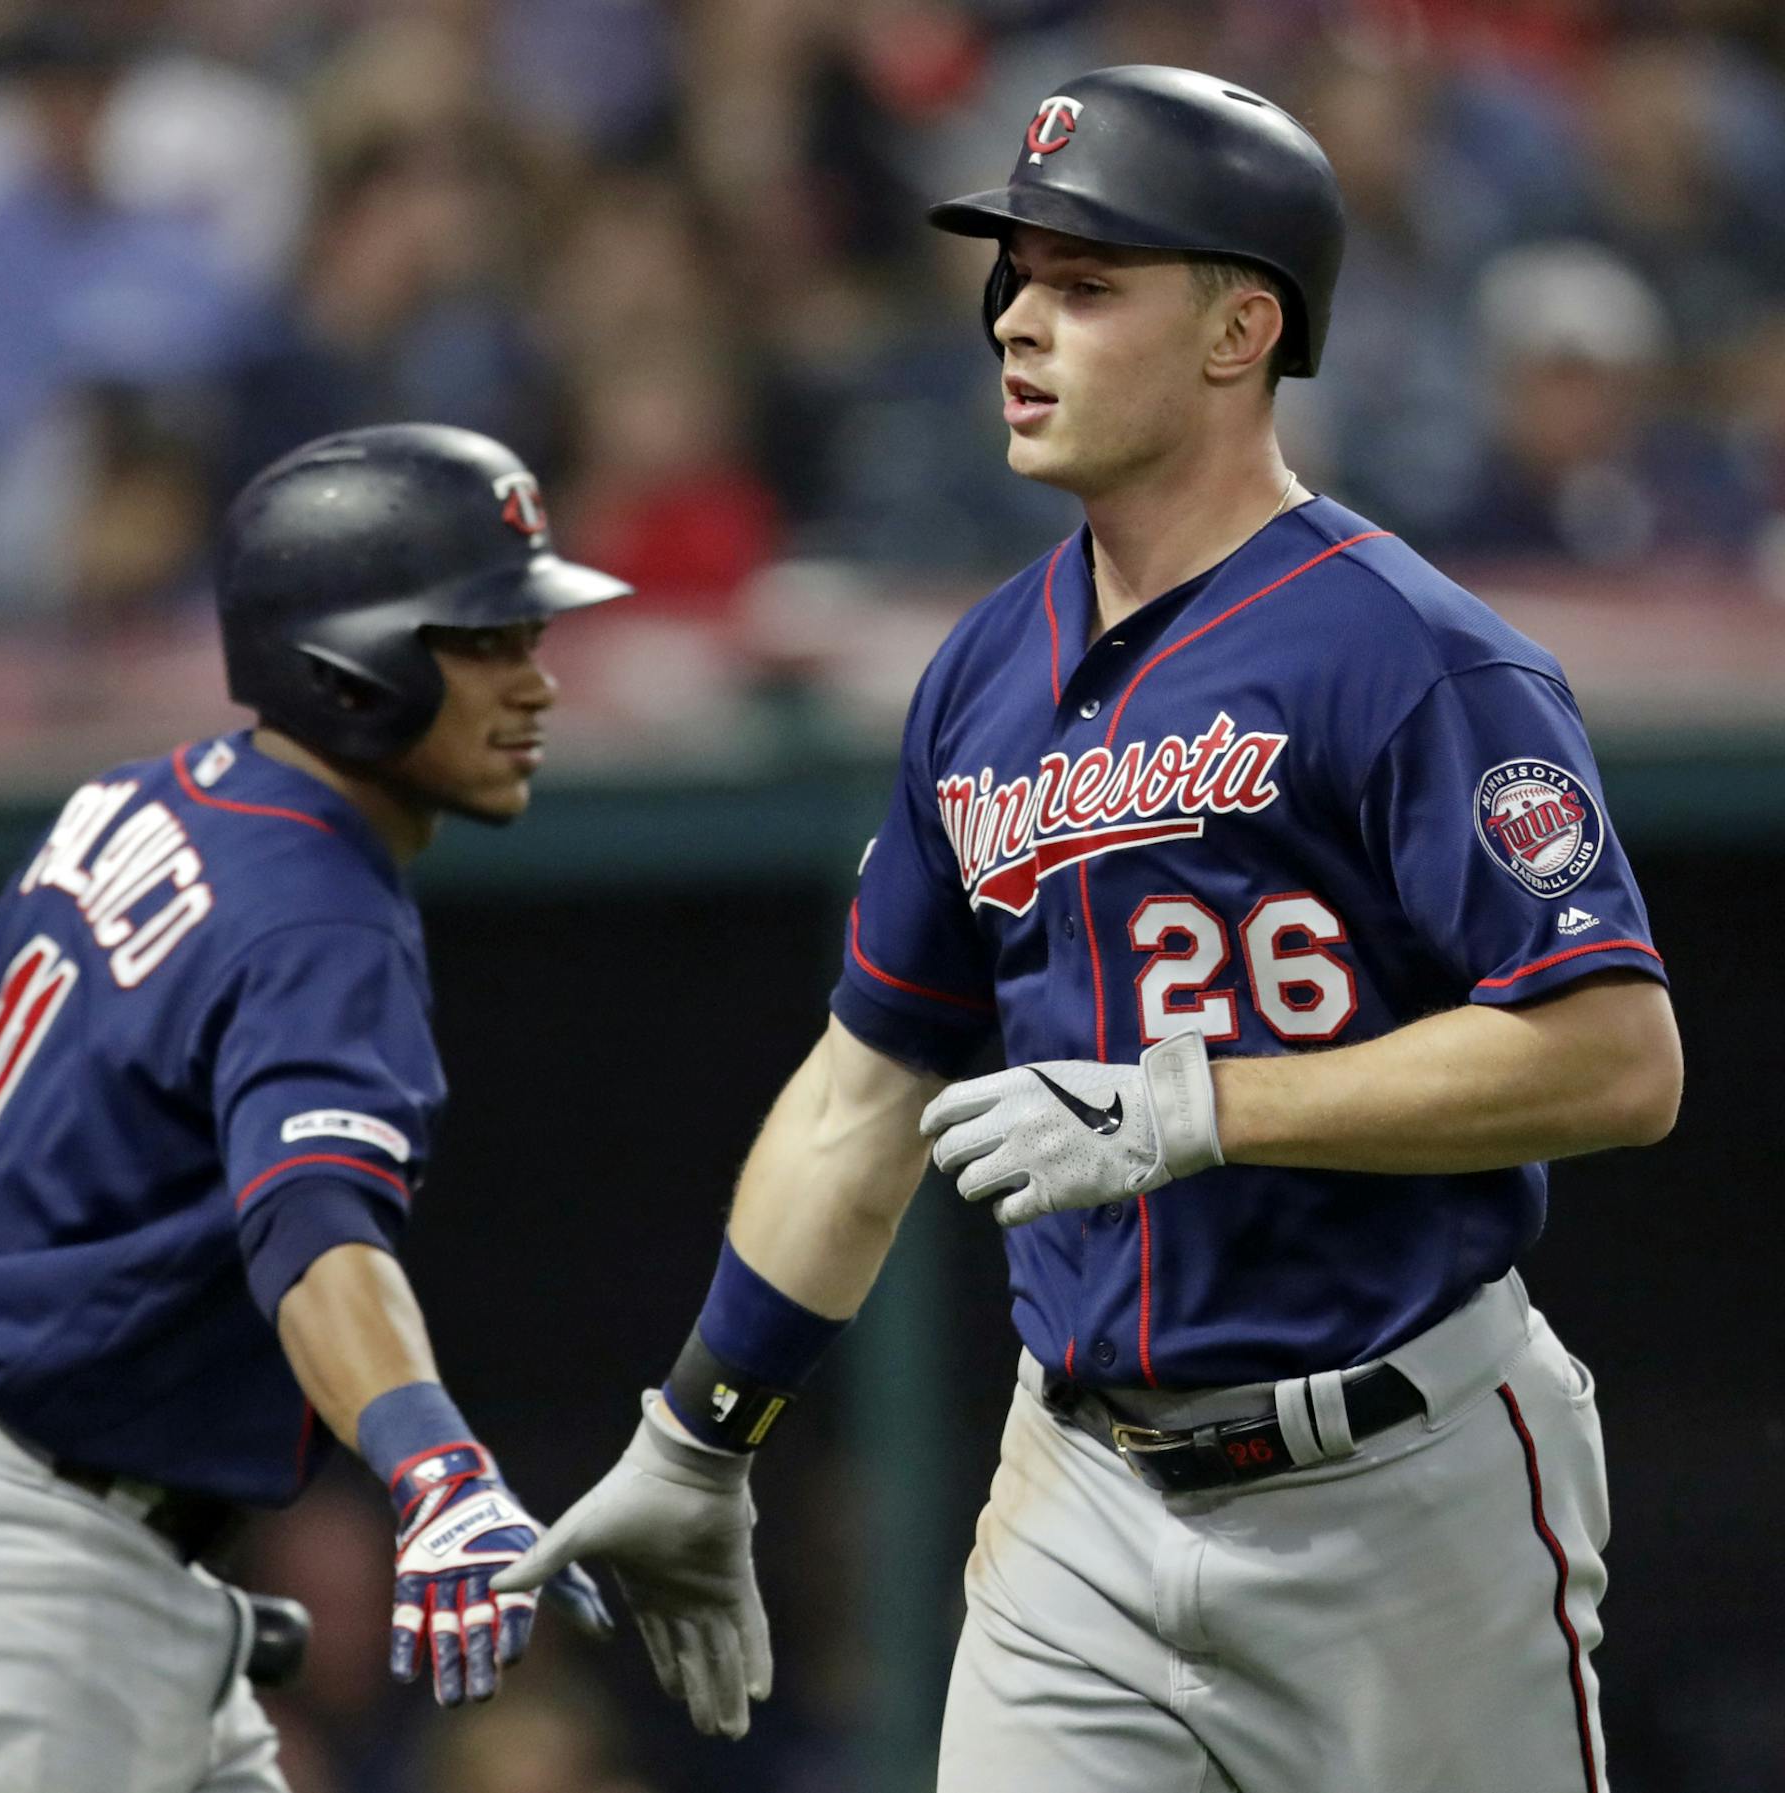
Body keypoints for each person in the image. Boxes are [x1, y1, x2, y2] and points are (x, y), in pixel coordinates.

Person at [496, 65, 1681, 1793]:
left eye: (1087, 284)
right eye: (1017, 280)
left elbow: (1617, 1053)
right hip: (1082, 1496)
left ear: (1239, 330)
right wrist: (701, 1427)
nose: (1018, 325)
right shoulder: (981, 674)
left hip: (1399, 1483)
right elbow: (865, 1084)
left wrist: (1208, 1105)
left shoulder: (1414, 653)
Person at [0, 424, 622, 1791]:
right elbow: (315, 1224)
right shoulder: (320, 912)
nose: (537, 683)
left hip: (55, 1554)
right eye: (488, 640)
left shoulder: (143, 799)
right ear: (353, 662)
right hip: (7, 1574)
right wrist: (436, 1469)